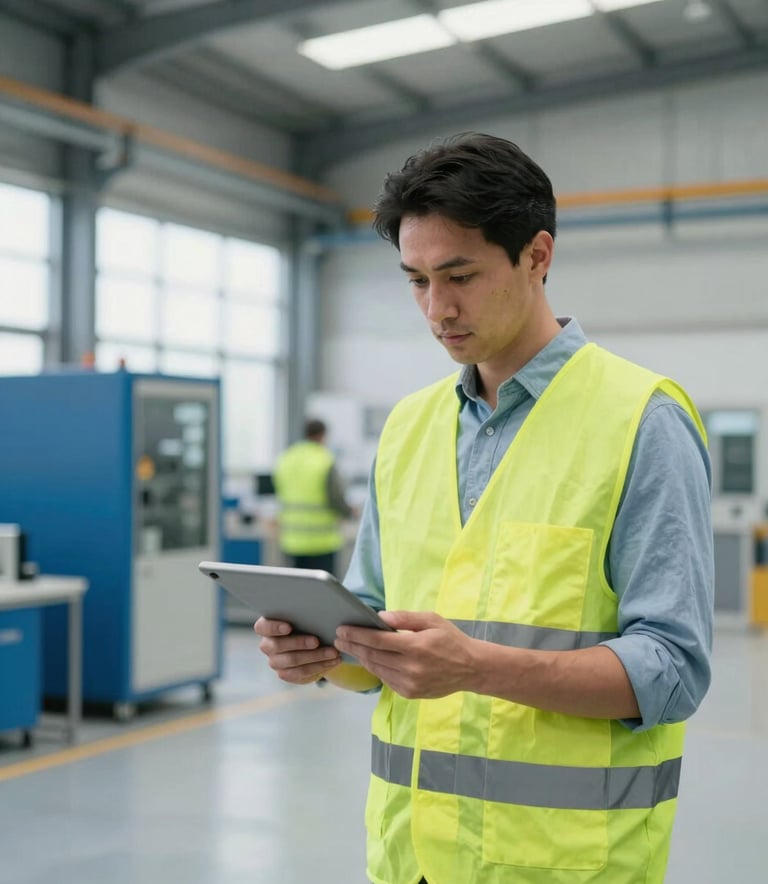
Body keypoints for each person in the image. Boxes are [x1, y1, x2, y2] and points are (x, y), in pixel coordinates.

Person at [256, 133, 714, 883]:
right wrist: (325, 657)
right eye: (417, 281)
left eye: (460, 275)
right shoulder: (408, 427)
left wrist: (474, 666)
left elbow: (672, 670)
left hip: (563, 866)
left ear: (537, 256)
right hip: (412, 859)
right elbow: (373, 633)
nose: (438, 309)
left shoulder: (643, 420)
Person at [273, 417, 353, 576]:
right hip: (322, 542)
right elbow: (336, 498)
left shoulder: (286, 458)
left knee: (297, 588)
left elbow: (280, 492)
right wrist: (349, 512)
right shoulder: (325, 460)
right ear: (322, 435)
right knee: (322, 590)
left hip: (292, 541)